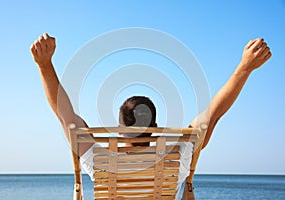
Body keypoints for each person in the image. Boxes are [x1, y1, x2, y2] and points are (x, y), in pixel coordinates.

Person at [30, 33, 271, 199]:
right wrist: (245, 67)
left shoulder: (98, 160)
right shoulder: (179, 157)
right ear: (154, 127)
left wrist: (44, 65)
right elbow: (214, 113)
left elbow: (64, 115)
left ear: (119, 128)